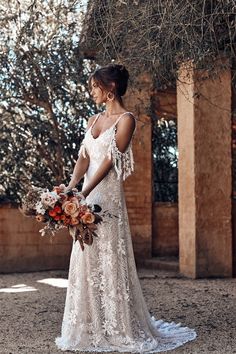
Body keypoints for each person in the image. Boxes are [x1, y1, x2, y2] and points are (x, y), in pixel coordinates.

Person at [55, 64, 197, 353]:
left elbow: (108, 163)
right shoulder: (93, 119)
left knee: (108, 256)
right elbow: (84, 158)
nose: (91, 91)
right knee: (85, 256)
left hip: (106, 199)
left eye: (95, 86)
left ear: (111, 89)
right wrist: (70, 187)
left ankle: (117, 326)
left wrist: (84, 192)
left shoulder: (126, 120)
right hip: (85, 195)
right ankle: (88, 325)